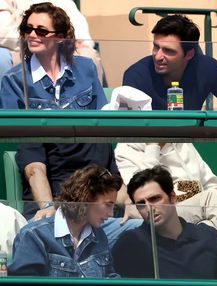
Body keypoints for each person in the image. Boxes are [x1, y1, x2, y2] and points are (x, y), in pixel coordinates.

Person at [0, 3, 142, 248]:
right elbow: (30, 156)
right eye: (27, 28)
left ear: (62, 37)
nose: (32, 34)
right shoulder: (15, 80)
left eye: (41, 31)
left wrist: (126, 199)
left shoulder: (86, 69)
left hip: (96, 187)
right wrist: (48, 207)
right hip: (54, 191)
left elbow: (102, 134)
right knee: (49, 233)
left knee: (142, 230)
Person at [115, 142, 217, 260]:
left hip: (197, 209)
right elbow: (144, 189)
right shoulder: (125, 149)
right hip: (165, 209)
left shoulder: (182, 142)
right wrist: (153, 147)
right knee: (212, 198)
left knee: (210, 226)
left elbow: (211, 184)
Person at [112, 165, 217, 279]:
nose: (149, 208)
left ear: (173, 197)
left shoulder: (207, 236)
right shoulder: (131, 243)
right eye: (141, 204)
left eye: (155, 199)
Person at [8, 164, 122, 277]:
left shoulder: (99, 235)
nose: (111, 214)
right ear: (88, 198)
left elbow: (110, 278)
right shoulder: (34, 236)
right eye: (108, 205)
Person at [123, 14, 217, 110]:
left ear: (189, 54)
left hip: (191, 134)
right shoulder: (136, 76)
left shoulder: (207, 68)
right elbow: (128, 127)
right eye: (156, 47)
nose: (157, 56)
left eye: (168, 51)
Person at [0, 0, 105, 84]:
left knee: (88, 55)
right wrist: (35, 39)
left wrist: (72, 43)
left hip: (60, 46)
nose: (33, 33)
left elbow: (79, 25)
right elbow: (4, 32)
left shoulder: (65, 3)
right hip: (17, 50)